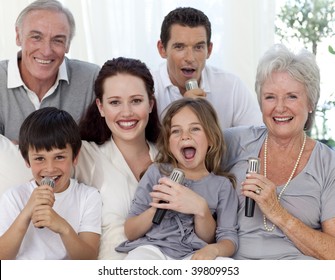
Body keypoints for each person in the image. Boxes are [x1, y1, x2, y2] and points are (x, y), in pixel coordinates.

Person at [223, 44, 335, 260]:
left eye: (292, 96)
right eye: (270, 97)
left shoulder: (328, 164)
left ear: (310, 102)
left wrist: (277, 212)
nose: (280, 107)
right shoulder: (235, 142)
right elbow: (184, 154)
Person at [116, 98, 238, 260]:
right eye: (176, 131)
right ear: (169, 143)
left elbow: (225, 239)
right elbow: (131, 231)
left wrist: (201, 209)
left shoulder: (222, 186)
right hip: (153, 248)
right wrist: (155, 209)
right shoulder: (157, 173)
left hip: (193, 253)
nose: (185, 137)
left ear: (211, 138)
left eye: (195, 129)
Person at [74, 57, 161, 259]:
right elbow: (41, 157)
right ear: (101, 107)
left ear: (150, 104)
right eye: (115, 102)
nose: (127, 112)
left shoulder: (170, 158)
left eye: (136, 101)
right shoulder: (86, 155)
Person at [0, 107, 102, 260]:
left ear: (75, 157)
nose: (50, 168)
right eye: (40, 159)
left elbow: (88, 259)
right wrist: (27, 212)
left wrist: (63, 228)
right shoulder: (14, 196)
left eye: (59, 157)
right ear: (27, 160)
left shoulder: (88, 197)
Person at [0, 0, 100, 142]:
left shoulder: (91, 78)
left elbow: (105, 143)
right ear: (18, 36)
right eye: (36, 37)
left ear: (68, 45)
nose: (46, 51)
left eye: (57, 40)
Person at [152, 7, 263, 127]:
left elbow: (256, 137)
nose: (190, 58)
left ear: (209, 50)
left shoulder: (231, 87)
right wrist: (183, 110)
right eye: (179, 47)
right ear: (162, 49)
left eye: (198, 47)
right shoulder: (147, 88)